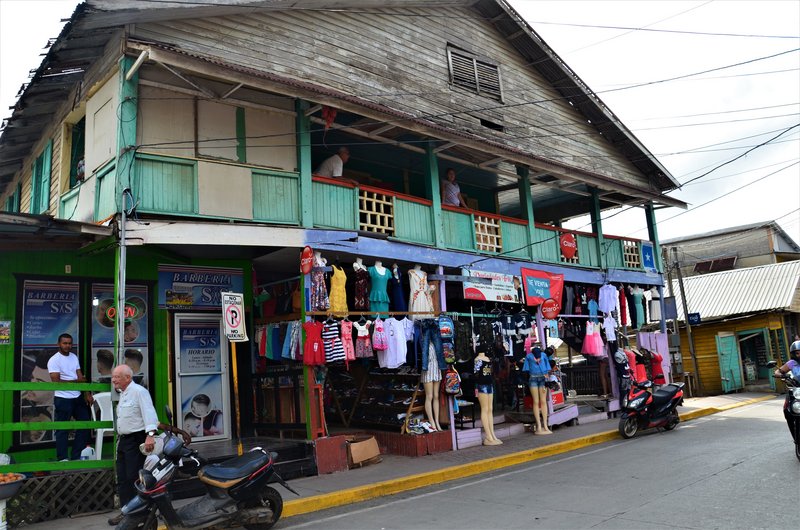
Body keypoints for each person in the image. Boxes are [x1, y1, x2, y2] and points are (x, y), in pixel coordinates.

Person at [107, 364, 191, 526]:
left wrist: (150, 436)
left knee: (133, 477)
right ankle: (126, 511)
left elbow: (150, 416)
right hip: (124, 440)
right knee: (123, 478)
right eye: (113, 376)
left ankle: (137, 514)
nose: (113, 380)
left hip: (136, 438)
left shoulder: (139, 392)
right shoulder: (123, 394)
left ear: (128, 378)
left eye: (117, 377)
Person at [48, 333, 92, 461]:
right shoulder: (54, 360)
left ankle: (76, 455)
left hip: (77, 396)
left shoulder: (73, 357)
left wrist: (87, 393)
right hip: (62, 398)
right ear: (58, 344)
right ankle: (62, 458)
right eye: (64, 343)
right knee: (62, 429)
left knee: (85, 424)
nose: (67, 346)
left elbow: (80, 377)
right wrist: (76, 382)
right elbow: (56, 381)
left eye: (69, 343)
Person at [522, 344, 552, 435]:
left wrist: (547, 377)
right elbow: (526, 369)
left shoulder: (543, 355)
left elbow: (547, 368)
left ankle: (545, 425)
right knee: (536, 401)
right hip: (533, 379)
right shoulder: (529, 356)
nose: (537, 358)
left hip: (542, 378)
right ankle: (539, 425)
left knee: (543, 401)